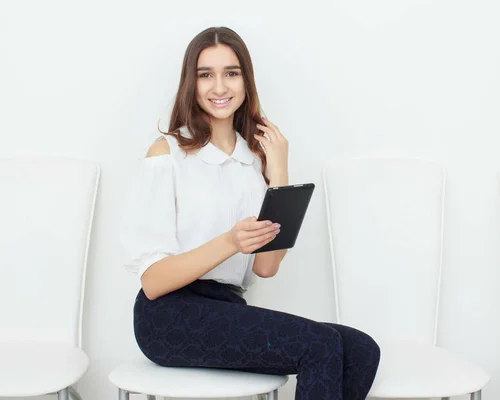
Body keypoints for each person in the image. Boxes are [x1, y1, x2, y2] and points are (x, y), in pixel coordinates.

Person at [121, 26, 380, 400]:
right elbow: (154, 282)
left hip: (227, 307)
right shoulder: (168, 154)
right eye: (205, 75)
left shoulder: (254, 161)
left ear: (246, 81)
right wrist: (229, 241)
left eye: (231, 73)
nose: (219, 87)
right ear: (190, 84)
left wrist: (279, 174)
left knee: (362, 349)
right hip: (168, 314)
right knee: (320, 345)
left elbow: (266, 267)